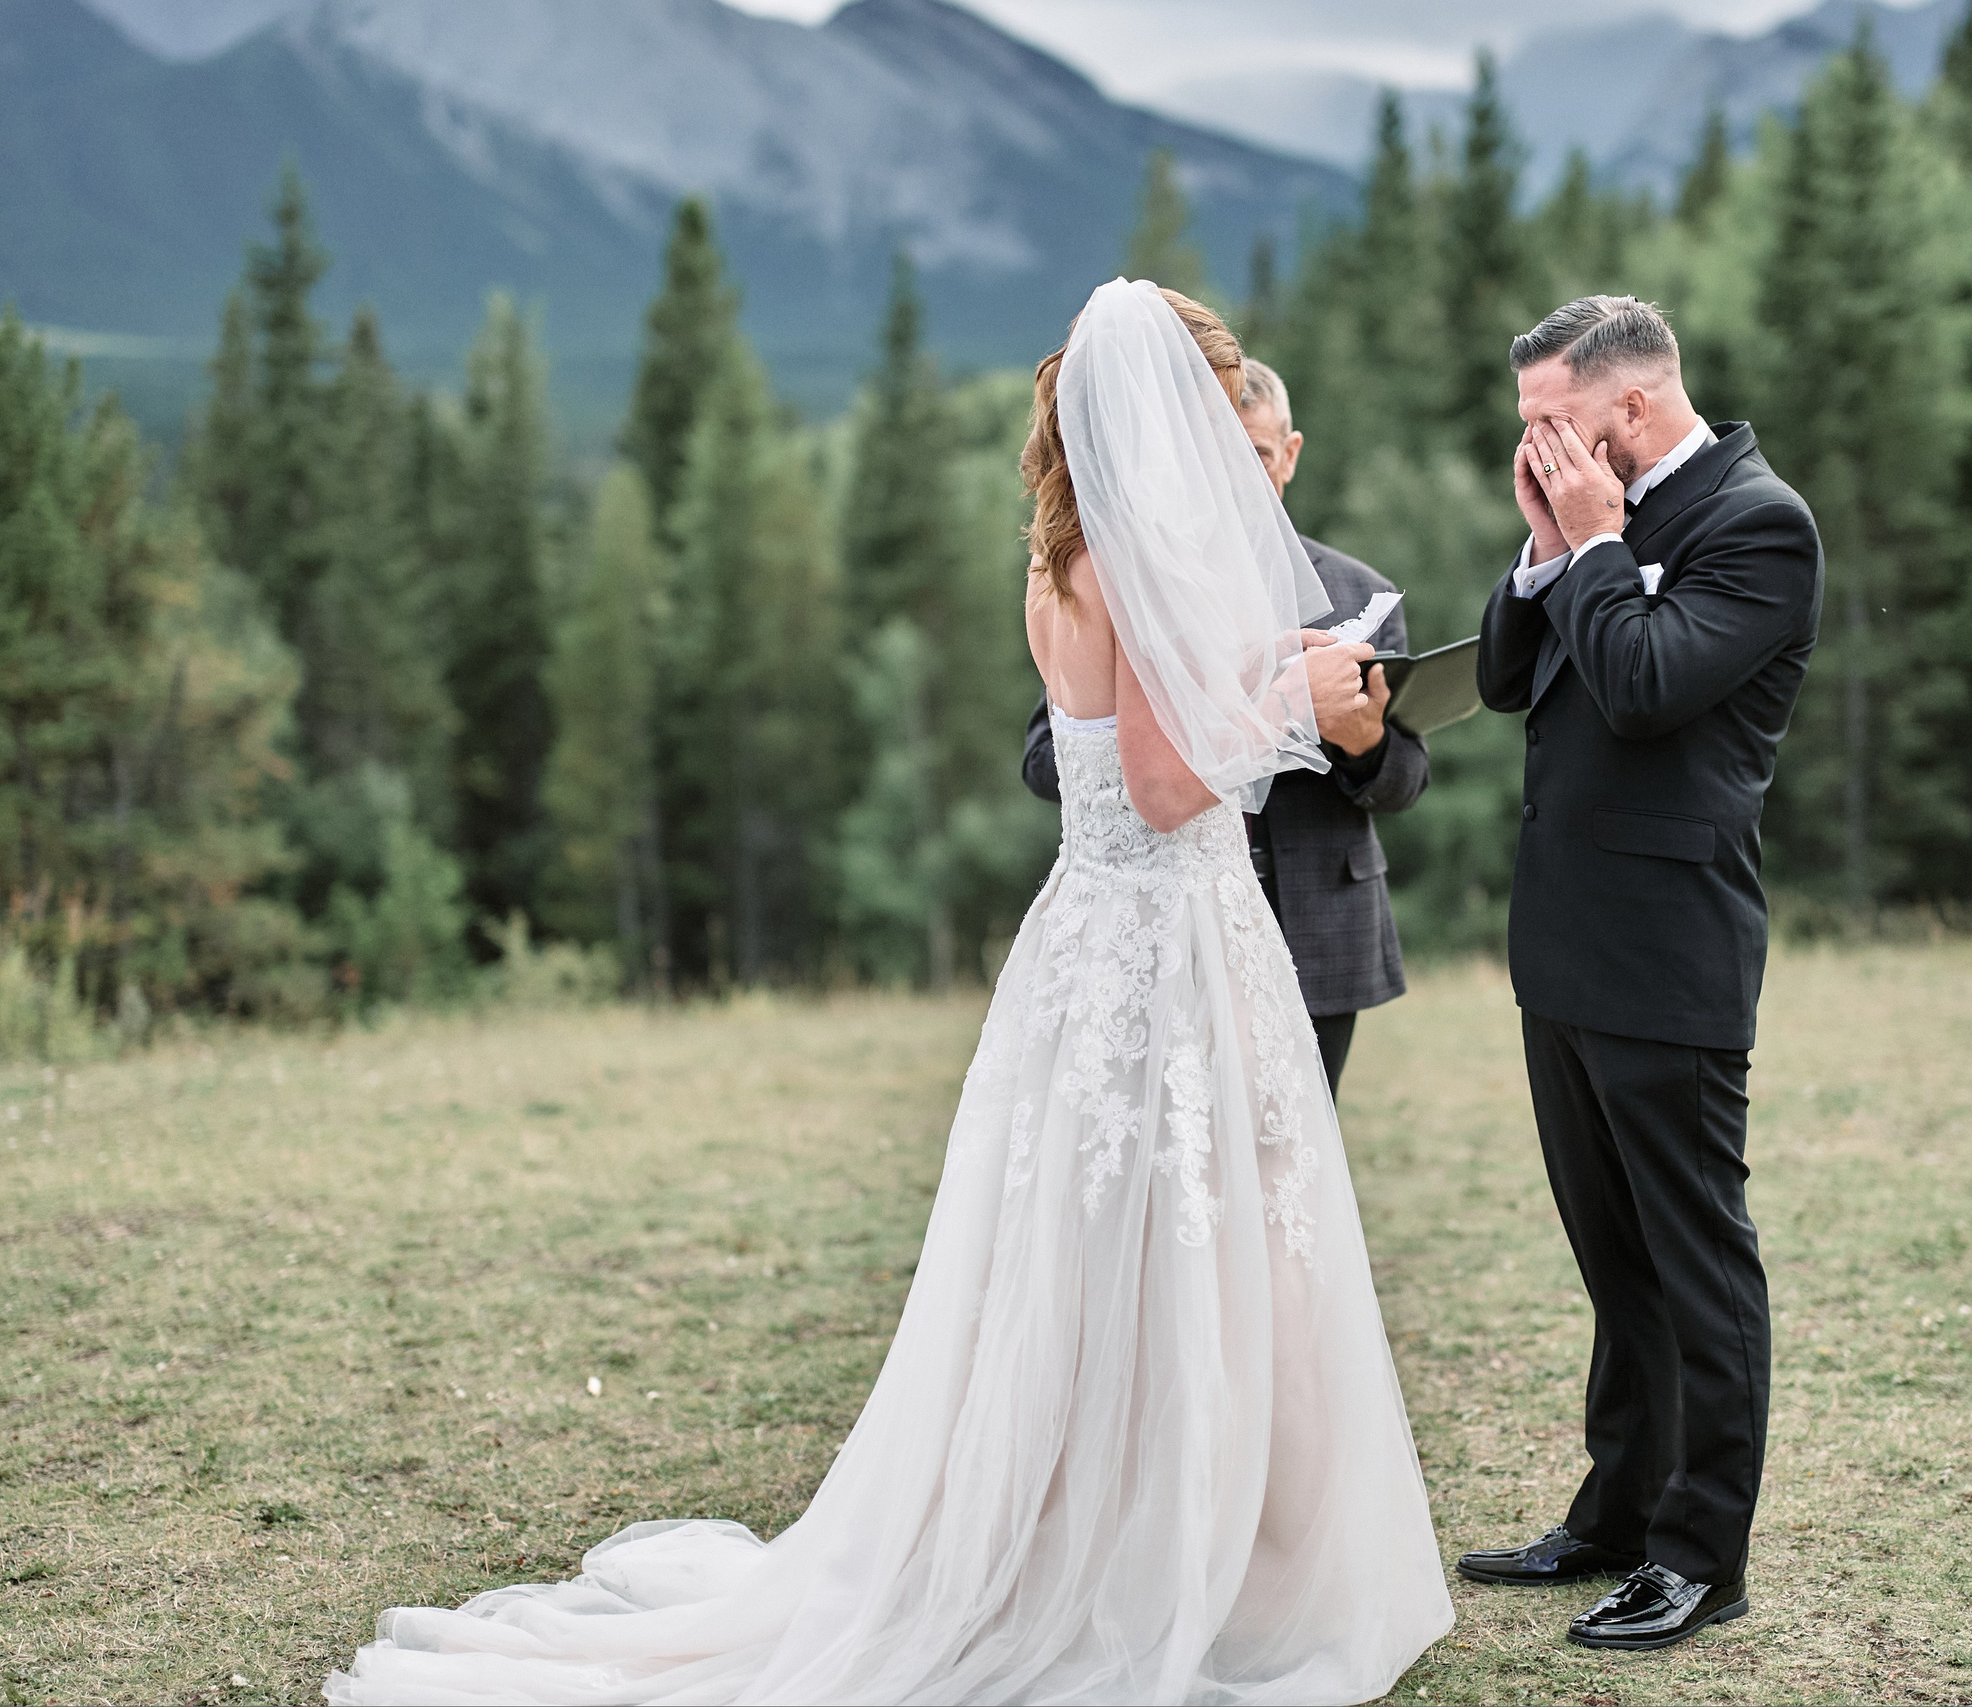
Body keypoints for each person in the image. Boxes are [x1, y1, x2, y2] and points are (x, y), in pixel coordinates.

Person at [326, 281, 1453, 1705]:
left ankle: (1147, 1529)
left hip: (1096, 937)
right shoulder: (1133, 560)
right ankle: (1174, 1566)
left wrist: (1264, 674)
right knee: (1187, 1251)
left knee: (1093, 1256)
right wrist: (1312, 707)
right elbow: (1171, 785)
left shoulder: (1061, 555)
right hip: (1166, 941)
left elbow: (1124, 736)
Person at [1455, 296, 1822, 1652]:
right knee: (1616, 1263)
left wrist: (1598, 540)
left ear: (1620, 408)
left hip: (1671, 945)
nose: (1536, 443)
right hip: (1563, 940)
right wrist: (1552, 547)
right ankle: (1615, 1511)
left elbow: (1648, 684)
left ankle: (1700, 1551)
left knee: (1696, 1259)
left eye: (1549, 419)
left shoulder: (1757, 521)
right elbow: (1506, 677)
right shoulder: (1587, 521)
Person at [1021, 357, 1427, 1092]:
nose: (1234, 474)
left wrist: (1357, 739)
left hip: (1317, 920)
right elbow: (1058, 748)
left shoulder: (1356, 590)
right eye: (1218, 449)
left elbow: (1407, 777)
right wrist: (1275, 708)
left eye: (1258, 455)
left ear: (1290, 454)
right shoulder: (1141, 580)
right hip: (1173, 914)